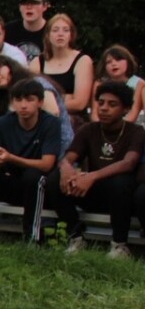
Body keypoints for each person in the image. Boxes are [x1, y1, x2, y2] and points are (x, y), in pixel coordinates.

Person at [0, 75, 60, 242]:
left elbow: (47, 164)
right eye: (18, 100)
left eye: (29, 100)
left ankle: (31, 237)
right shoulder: (5, 122)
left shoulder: (50, 123)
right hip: (14, 183)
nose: (23, 105)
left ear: (40, 103)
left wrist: (11, 158)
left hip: (42, 188)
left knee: (32, 176)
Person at [55, 81, 143, 258]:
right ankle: (76, 238)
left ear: (125, 109)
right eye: (100, 102)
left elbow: (129, 163)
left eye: (112, 104)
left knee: (121, 181)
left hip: (123, 197)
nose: (103, 108)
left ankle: (119, 245)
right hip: (92, 192)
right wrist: (66, 169)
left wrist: (92, 176)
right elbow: (68, 158)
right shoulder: (89, 129)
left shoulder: (136, 131)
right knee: (53, 179)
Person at [37, 12, 94, 134]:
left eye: (65, 30)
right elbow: (31, 97)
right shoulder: (37, 62)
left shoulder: (83, 60)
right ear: (48, 35)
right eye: (55, 30)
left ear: (71, 35)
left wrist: (49, 103)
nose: (60, 34)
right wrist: (66, 97)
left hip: (75, 120)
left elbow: (80, 103)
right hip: (43, 119)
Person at [101, 46, 144, 123]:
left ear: (128, 62)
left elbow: (133, 112)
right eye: (109, 62)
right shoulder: (101, 84)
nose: (113, 64)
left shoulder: (139, 84)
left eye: (118, 60)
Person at [11, 0, 51, 65]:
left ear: (45, 6)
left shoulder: (53, 31)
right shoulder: (9, 31)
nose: (29, 6)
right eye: (24, 3)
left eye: (34, 2)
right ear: (19, 7)